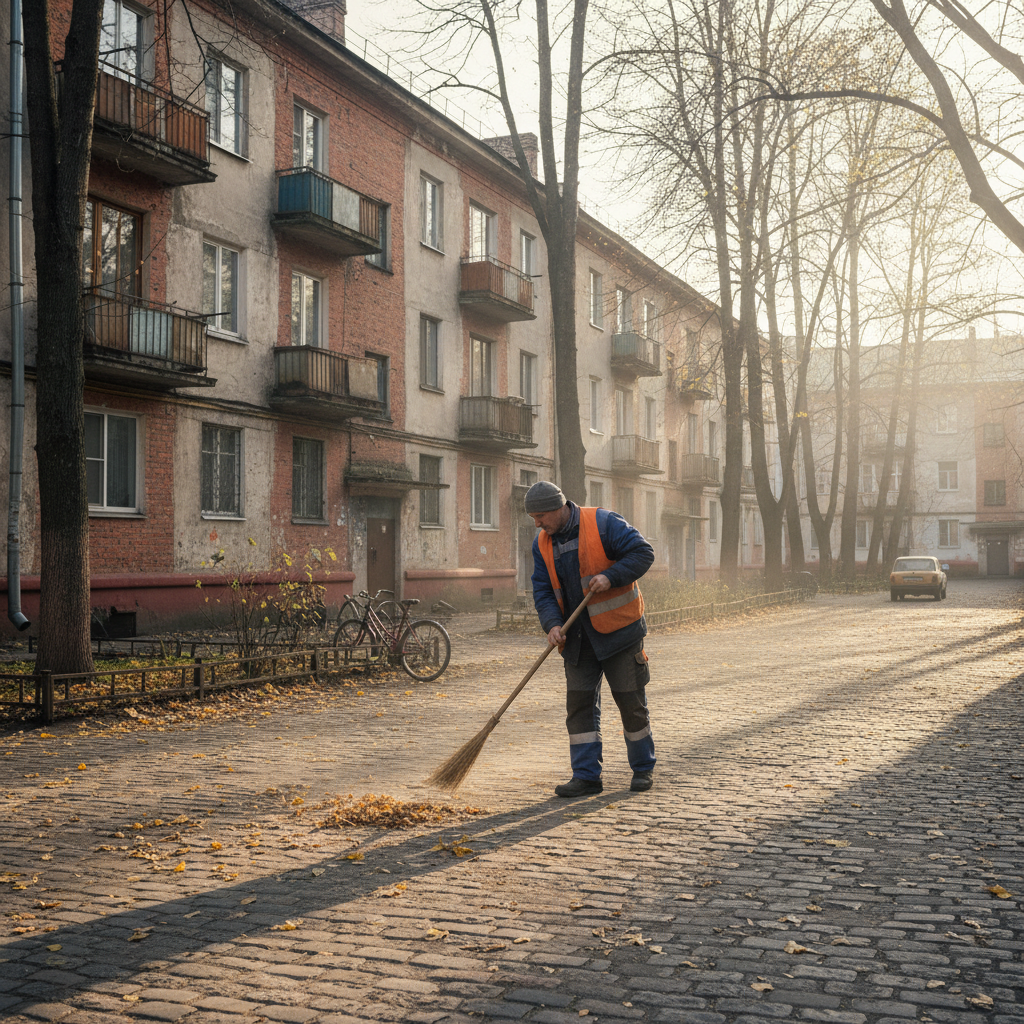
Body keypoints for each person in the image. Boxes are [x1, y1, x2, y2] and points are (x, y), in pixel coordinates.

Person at [526, 480, 656, 797]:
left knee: (630, 702)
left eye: (541, 515)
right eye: (534, 518)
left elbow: (643, 553)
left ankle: (642, 769)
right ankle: (586, 777)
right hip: (577, 640)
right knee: (580, 707)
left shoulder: (603, 522)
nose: (538, 523)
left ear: (559, 507)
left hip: (619, 634)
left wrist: (611, 576)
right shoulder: (542, 543)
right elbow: (542, 591)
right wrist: (552, 625)